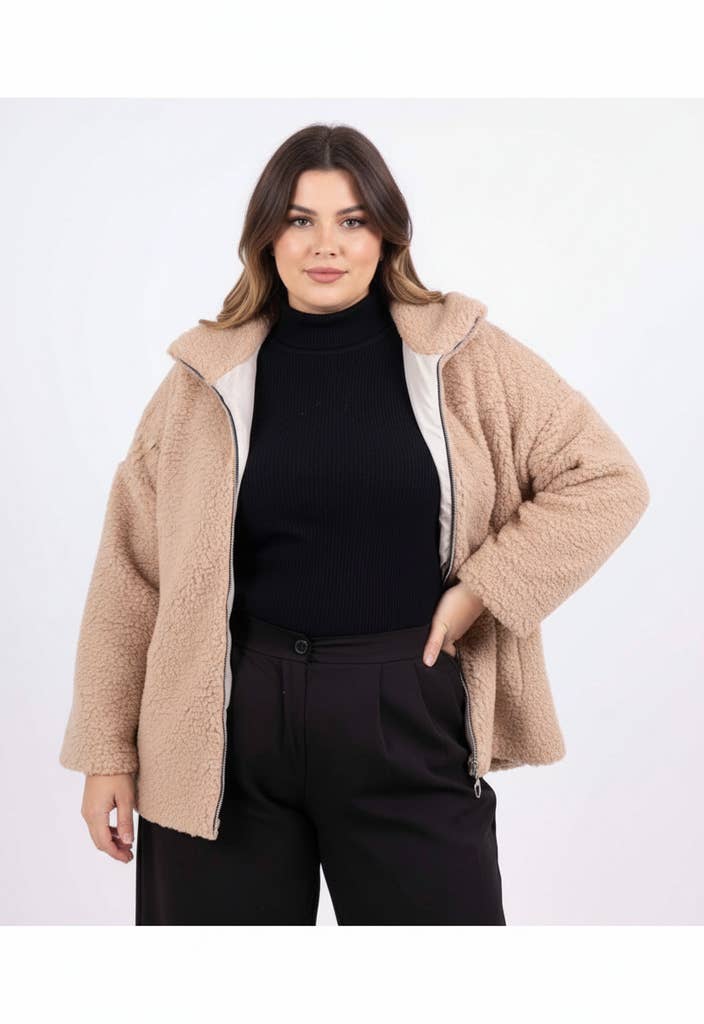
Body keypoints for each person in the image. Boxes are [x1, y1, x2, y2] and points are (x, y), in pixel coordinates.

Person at [59, 123, 650, 925]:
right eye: (300, 220)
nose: (325, 245)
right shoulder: (205, 378)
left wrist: (483, 590)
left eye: (352, 220)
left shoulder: (467, 357)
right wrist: (106, 752)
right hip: (223, 727)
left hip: (406, 708)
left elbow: (607, 479)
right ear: (267, 237)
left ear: (387, 235)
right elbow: (131, 572)